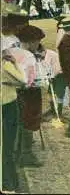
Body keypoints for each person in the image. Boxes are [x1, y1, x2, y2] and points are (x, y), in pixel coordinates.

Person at [10, 25, 47, 168]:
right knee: (29, 120)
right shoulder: (27, 56)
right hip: (27, 93)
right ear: (31, 41)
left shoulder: (15, 50)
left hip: (19, 92)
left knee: (22, 121)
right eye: (37, 41)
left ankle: (20, 152)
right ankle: (26, 155)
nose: (38, 44)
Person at [1, 34, 25, 191]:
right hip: (8, 106)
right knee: (8, 147)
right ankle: (9, 183)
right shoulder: (6, 64)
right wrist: (15, 62)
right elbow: (23, 80)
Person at [37, 44, 67, 122]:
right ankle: (53, 110)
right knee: (50, 94)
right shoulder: (41, 56)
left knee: (59, 94)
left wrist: (50, 77)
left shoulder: (52, 55)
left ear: (43, 51)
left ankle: (59, 113)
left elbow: (57, 70)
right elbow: (44, 68)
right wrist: (47, 77)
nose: (39, 57)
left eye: (40, 54)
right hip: (52, 76)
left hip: (61, 75)